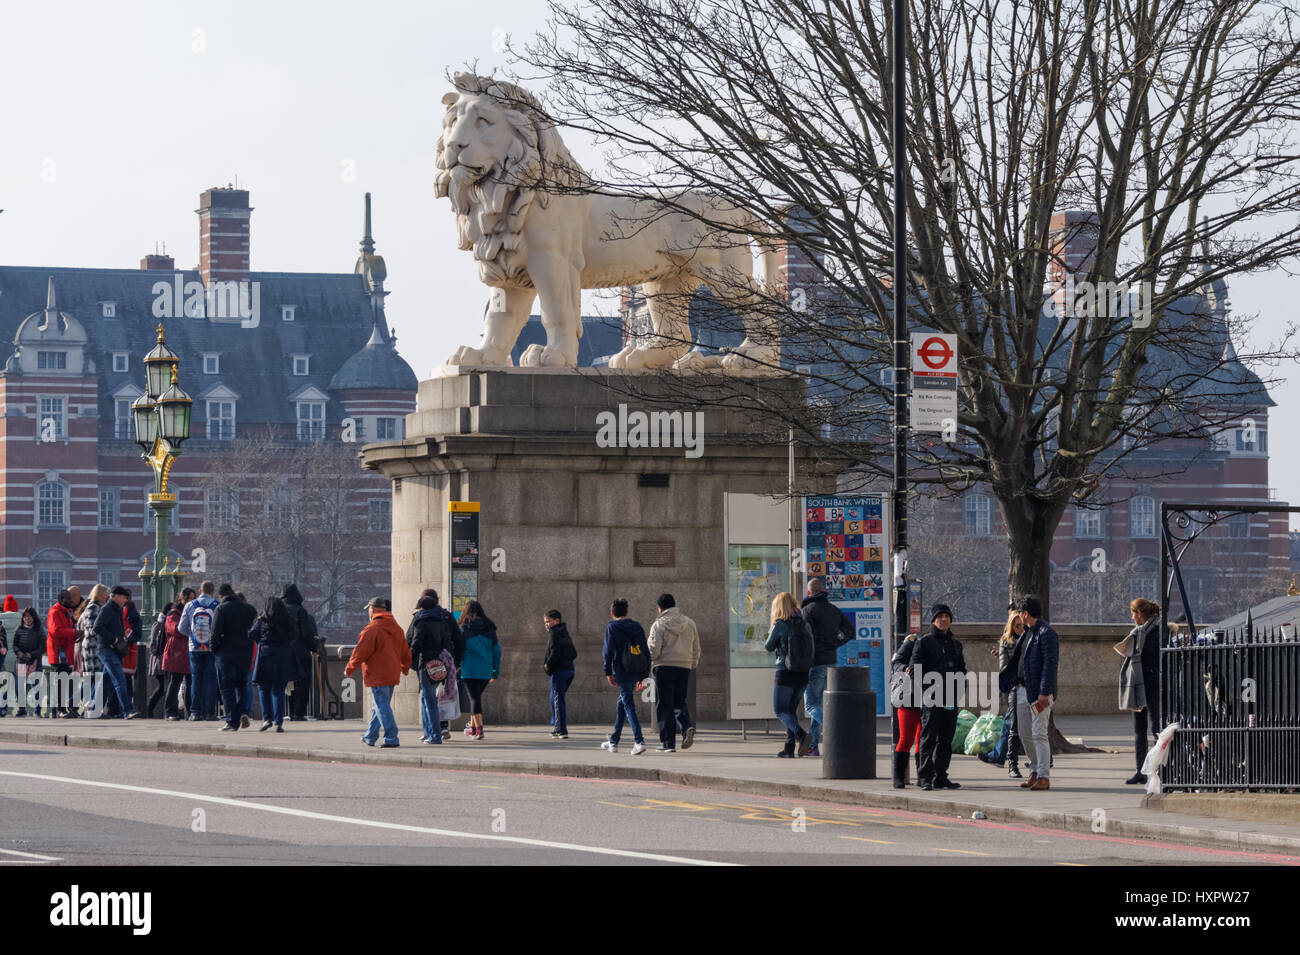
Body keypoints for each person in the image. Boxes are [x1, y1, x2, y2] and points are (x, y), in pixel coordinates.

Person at [912, 604, 966, 790]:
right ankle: (925, 776)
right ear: (934, 620)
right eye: (940, 616)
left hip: (950, 698)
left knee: (946, 739)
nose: (944, 619)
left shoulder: (955, 644)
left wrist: (959, 690)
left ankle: (941, 776)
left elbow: (961, 670)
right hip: (931, 698)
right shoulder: (924, 642)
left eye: (947, 616)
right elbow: (915, 670)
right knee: (928, 738)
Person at [344, 597, 411, 748]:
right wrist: (405, 666)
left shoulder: (372, 628)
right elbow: (405, 651)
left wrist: (349, 668)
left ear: (372, 610)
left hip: (377, 673)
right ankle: (370, 736)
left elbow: (360, 652)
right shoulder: (396, 628)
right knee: (379, 705)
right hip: (392, 672)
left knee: (381, 706)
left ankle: (391, 737)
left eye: (369, 609)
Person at [800, 577, 855, 757]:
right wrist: (834, 644)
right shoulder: (833, 610)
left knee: (810, 705)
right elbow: (850, 632)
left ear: (809, 592)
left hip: (814, 663)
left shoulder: (807, 611)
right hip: (830, 660)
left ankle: (836, 729)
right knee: (819, 703)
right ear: (822, 590)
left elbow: (805, 639)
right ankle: (813, 746)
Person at [1015, 595, 1059, 792]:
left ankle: (1043, 775)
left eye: (1020, 614)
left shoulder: (1046, 633)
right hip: (1023, 689)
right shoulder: (1028, 633)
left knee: (1039, 733)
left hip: (1039, 692)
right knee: (1025, 734)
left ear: (1025, 614)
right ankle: (1034, 770)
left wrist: (1044, 691)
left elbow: (1050, 664)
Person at [646, 593, 700, 753]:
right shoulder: (690, 623)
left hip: (664, 667)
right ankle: (686, 727)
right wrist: (692, 663)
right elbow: (696, 646)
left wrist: (647, 659)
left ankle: (668, 743)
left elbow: (654, 651)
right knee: (679, 702)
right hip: (684, 667)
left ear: (660, 608)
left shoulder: (658, 625)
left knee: (664, 705)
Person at [978, 610, 1027, 778]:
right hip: (1014, 687)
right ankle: (1003, 758)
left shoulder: (1029, 638)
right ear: (1011, 626)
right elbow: (1004, 667)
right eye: (1017, 626)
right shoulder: (1006, 642)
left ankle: (999, 756)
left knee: (1017, 724)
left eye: (1022, 625)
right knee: (1011, 725)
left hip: (1028, 687)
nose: (1020, 628)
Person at [764, 591, 813, 758]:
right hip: (803, 673)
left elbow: (769, 646)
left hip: (785, 672)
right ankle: (789, 747)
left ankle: (801, 735)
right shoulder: (804, 623)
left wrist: (771, 631)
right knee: (790, 711)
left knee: (779, 710)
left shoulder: (780, 624)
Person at [406, 593, 460, 744]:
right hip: (439, 665)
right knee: (429, 699)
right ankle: (431, 733)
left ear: (422, 607)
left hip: (425, 664)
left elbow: (415, 644)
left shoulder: (420, 621)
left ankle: (434, 735)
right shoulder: (442, 620)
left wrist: (409, 661)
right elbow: (448, 643)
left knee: (428, 700)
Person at [1121, 597, 1162, 785]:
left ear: (1140, 614)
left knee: (1156, 728)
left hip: (1153, 683)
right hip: (1139, 683)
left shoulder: (1160, 631)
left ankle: (1157, 769)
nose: (1132, 617)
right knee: (1139, 729)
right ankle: (1140, 770)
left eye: (1133, 613)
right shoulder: (1137, 633)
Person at [211, 583, 256, 731]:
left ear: (221, 595)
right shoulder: (249, 609)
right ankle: (243, 711)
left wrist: (215, 649)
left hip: (226, 653)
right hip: (245, 652)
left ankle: (232, 720)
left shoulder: (221, 609)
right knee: (241, 685)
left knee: (226, 687)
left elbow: (215, 632)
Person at [92, 586, 141, 719]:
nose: (125, 600)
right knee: (120, 680)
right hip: (106, 649)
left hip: (115, 650)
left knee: (105, 682)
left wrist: (121, 640)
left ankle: (94, 710)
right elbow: (97, 627)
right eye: (124, 597)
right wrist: (113, 639)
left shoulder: (117, 610)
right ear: (116, 596)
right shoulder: (107, 609)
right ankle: (127, 710)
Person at [251, 596, 297, 732]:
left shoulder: (262, 620)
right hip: (283, 657)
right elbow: (293, 635)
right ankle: (279, 722)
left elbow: (252, 634)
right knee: (278, 690)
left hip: (265, 656)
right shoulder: (288, 620)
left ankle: (267, 719)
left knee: (264, 688)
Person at [458, 601, 501, 740]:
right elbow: (497, 651)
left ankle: (479, 730)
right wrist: (495, 671)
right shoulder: (490, 629)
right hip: (486, 669)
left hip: (469, 668)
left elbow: (458, 650)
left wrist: (456, 665)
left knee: (474, 699)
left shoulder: (463, 628)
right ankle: (472, 727)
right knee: (474, 699)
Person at [179, 581, 220, 721]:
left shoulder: (190, 605)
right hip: (211, 647)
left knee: (196, 679)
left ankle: (195, 712)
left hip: (194, 647)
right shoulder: (217, 605)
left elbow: (181, 628)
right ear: (212, 591)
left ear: (200, 590)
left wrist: (192, 636)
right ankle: (210, 712)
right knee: (211, 679)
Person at [281, 583, 319, 722]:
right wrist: (314, 647)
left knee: (288, 685)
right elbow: (307, 633)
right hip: (300, 652)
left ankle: (289, 711)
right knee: (303, 683)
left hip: (283, 652)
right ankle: (299, 712)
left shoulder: (279, 610)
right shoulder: (300, 611)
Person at [889, 629, 921, 788]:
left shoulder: (932, 643)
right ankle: (899, 777)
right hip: (908, 699)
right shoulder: (912, 641)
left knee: (923, 740)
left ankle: (922, 776)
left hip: (928, 698)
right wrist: (904, 669)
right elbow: (896, 662)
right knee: (906, 739)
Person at [542, 609, 577, 739]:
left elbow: (554, 653)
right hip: (569, 670)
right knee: (556, 699)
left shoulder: (554, 634)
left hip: (559, 672)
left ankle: (561, 729)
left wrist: (547, 666)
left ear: (556, 621)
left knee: (557, 701)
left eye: (548, 621)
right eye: (545, 622)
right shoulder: (565, 634)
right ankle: (558, 727)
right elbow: (574, 653)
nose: (546, 624)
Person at [45, 589, 78, 717]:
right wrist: (74, 632)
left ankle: (58, 710)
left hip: (64, 652)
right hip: (58, 652)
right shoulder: (55, 612)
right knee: (60, 681)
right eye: (68, 598)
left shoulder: (65, 612)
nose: (71, 600)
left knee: (63, 681)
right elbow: (56, 631)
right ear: (61, 599)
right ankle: (60, 709)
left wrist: (75, 635)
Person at [76, 586, 109, 717]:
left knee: (95, 679)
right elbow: (92, 629)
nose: (107, 596)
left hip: (94, 646)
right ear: (99, 594)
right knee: (96, 678)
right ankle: (86, 706)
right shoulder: (93, 608)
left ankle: (91, 708)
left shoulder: (97, 607)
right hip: (93, 647)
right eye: (105, 594)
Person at [10, 607, 45, 718]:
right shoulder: (19, 629)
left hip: (35, 662)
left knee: (36, 687)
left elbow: (43, 647)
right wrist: (18, 652)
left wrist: (32, 654)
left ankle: (38, 710)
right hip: (21, 662)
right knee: (19, 686)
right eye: (25, 617)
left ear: (34, 617)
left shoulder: (39, 630)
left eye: (29, 617)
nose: (27, 619)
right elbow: (14, 644)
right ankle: (21, 709)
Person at [161, 600, 189, 720]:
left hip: (182, 653)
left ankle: (188, 711)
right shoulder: (173, 614)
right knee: (175, 682)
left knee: (186, 683)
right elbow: (176, 630)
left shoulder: (176, 614)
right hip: (176, 653)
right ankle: (170, 711)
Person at [145, 603, 174, 718]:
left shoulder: (162, 623)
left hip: (161, 659)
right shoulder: (159, 624)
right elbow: (154, 644)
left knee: (164, 687)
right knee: (163, 687)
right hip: (160, 659)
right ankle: (150, 709)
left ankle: (151, 709)